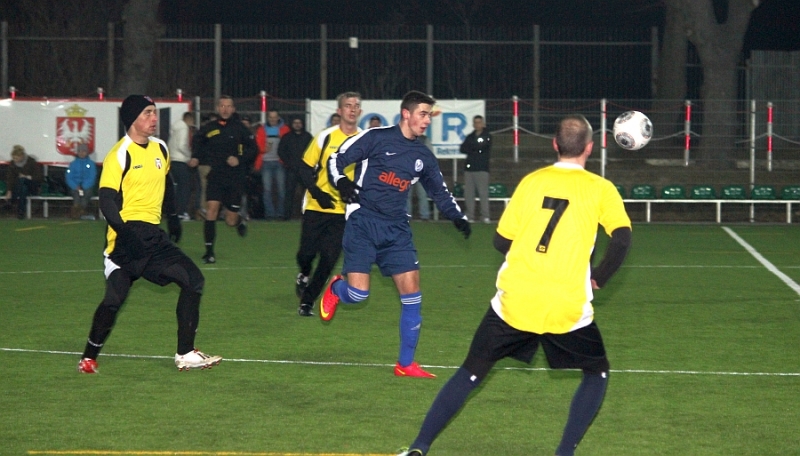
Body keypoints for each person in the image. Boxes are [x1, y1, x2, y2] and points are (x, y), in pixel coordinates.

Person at [396, 115, 632, 456]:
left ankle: (419, 447)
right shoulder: (601, 189)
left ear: (555, 144)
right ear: (590, 148)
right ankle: (564, 452)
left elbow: (500, 240)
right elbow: (621, 239)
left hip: (515, 297)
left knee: (471, 371)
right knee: (596, 373)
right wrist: (600, 276)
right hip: (565, 302)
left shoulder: (531, 182)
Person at [322, 91, 471, 378]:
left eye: (429, 115)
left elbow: (439, 191)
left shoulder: (423, 156)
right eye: (423, 114)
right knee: (358, 294)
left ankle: (405, 364)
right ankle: (337, 289)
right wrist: (341, 182)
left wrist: (457, 217)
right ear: (406, 114)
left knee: (413, 296)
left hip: (397, 230)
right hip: (364, 222)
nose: (427, 120)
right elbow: (336, 159)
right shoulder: (377, 137)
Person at [77, 95, 222, 374]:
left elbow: (166, 183)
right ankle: (88, 357)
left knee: (193, 281)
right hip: (124, 238)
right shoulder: (120, 153)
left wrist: (174, 217)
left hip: (152, 236)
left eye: (154, 112)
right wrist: (124, 233)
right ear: (132, 119)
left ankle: (185, 353)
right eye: (147, 113)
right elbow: (106, 201)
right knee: (114, 300)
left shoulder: (160, 148)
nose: (154, 118)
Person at [294, 92, 362, 317]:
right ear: (339, 111)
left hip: (344, 211)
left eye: (356, 106)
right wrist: (317, 192)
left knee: (329, 258)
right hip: (317, 206)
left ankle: (308, 301)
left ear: (360, 111)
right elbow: (304, 168)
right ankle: (304, 272)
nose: (352, 109)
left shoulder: (366, 141)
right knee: (306, 254)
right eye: (348, 105)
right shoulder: (325, 137)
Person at [190, 95, 258, 264]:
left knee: (230, 220)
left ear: (233, 109)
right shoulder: (209, 128)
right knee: (211, 210)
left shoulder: (240, 128)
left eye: (228, 106)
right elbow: (198, 142)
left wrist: (239, 159)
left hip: (235, 178)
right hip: (216, 176)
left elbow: (253, 149)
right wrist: (196, 157)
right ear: (217, 108)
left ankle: (239, 220)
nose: (225, 109)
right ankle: (209, 252)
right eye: (222, 106)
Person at [255, 110, 290, 220]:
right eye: (271, 117)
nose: (273, 119)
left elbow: (288, 145)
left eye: (274, 117)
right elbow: (257, 145)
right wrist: (263, 149)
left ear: (278, 117)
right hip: (266, 162)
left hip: (280, 162)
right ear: (268, 118)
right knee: (267, 190)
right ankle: (269, 214)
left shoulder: (285, 129)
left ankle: (280, 214)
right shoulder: (262, 129)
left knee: (281, 190)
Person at [278, 116, 313, 220]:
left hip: (305, 169)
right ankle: (286, 216)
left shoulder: (308, 137)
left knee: (307, 194)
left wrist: (307, 164)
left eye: (299, 123)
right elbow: (281, 151)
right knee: (289, 193)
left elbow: (313, 151)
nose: (297, 125)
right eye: (295, 123)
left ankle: (308, 215)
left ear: (302, 124)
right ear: (292, 124)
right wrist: (288, 163)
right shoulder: (287, 137)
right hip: (291, 169)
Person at [459, 114, 492, 223]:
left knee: (483, 193)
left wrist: (472, 148)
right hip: (469, 168)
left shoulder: (487, 136)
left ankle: (485, 215)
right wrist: (474, 148)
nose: (477, 124)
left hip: (482, 169)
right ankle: (470, 215)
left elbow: (482, 148)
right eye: (475, 122)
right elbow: (462, 148)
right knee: (469, 194)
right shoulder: (470, 136)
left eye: (479, 122)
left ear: (483, 124)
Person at [168, 112, 195, 221]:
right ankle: (181, 212)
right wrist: (189, 156)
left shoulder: (175, 129)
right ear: (189, 119)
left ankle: (175, 211)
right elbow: (182, 145)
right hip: (180, 161)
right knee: (185, 188)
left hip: (173, 160)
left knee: (178, 188)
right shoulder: (184, 129)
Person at [3, 145, 43, 219]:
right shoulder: (12, 164)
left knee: (23, 180)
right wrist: (9, 190)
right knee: (24, 189)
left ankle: (12, 201)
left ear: (21, 156)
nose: (14, 160)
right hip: (20, 187)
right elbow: (10, 178)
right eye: (13, 158)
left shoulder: (31, 162)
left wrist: (27, 177)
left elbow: (39, 177)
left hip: (33, 186)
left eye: (16, 158)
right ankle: (20, 212)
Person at [65, 143, 98, 220]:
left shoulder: (91, 164)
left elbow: (92, 177)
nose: (81, 153)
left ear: (87, 152)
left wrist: (84, 186)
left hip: (87, 187)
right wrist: (75, 186)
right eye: (79, 151)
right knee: (76, 195)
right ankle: (76, 213)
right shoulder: (73, 164)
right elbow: (69, 177)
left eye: (83, 151)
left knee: (86, 195)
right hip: (75, 187)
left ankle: (80, 212)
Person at [406, 134, 432, 221]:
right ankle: (408, 215)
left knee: (422, 195)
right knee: (407, 196)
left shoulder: (424, 139)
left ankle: (425, 216)